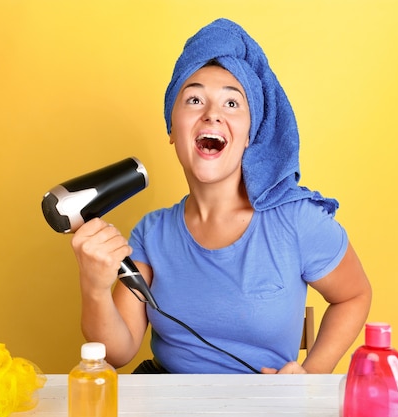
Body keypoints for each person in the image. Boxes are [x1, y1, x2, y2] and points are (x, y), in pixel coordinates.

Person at [71, 18, 372, 374]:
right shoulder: (151, 233)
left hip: (265, 406)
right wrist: (94, 289)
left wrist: (311, 374)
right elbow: (117, 353)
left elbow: (354, 295)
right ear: (172, 128)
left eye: (232, 103)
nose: (212, 114)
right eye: (194, 99)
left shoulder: (297, 220)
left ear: (250, 134)